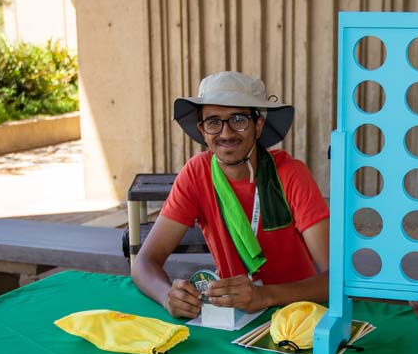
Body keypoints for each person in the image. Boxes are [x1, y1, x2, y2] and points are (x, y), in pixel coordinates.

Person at [132, 71, 330, 319]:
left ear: (258, 126)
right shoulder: (196, 173)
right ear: (202, 130)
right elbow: (144, 263)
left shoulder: (291, 174)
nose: (226, 134)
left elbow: (333, 280)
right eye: (214, 122)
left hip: (300, 312)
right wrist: (166, 296)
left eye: (238, 119)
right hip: (235, 317)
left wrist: (264, 296)